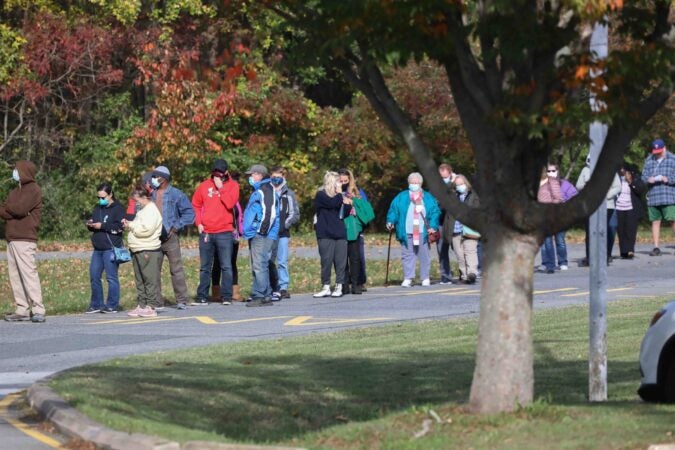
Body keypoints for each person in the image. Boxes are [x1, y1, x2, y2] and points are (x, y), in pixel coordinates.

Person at [1, 161, 46, 323]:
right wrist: (11, 209)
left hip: (25, 238)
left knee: (28, 274)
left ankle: (38, 308)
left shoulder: (34, 190)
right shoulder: (14, 192)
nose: (15, 172)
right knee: (15, 275)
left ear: (25, 172)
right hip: (12, 238)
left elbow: (18, 209)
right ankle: (22, 308)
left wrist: (9, 208)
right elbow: (5, 212)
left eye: (17, 170)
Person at [191, 159, 240, 305]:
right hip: (206, 231)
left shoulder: (233, 186)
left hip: (224, 231)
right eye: (214, 174)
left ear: (226, 172)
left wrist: (221, 188)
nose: (217, 177)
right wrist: (198, 223)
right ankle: (202, 296)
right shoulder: (204, 186)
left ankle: (226, 296)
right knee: (205, 266)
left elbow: (230, 203)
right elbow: (196, 205)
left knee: (226, 265)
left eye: (220, 174)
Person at [150, 166, 195, 310]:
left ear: (163, 178)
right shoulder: (150, 195)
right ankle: (156, 302)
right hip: (153, 238)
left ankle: (182, 300)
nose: (153, 179)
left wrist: (176, 227)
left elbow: (189, 213)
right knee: (153, 270)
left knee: (176, 269)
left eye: (156, 176)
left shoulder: (177, 194)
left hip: (171, 238)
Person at [386, 172, 441, 287]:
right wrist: (390, 221)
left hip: (422, 231)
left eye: (416, 182)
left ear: (420, 183)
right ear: (408, 183)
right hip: (406, 230)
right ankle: (408, 278)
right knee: (407, 255)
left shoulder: (427, 197)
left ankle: (425, 277)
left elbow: (435, 212)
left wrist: (433, 226)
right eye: (412, 182)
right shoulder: (402, 197)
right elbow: (393, 211)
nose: (414, 184)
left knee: (424, 255)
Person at [85, 183, 125, 314]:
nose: (101, 200)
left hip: (111, 248)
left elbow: (119, 227)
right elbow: (95, 221)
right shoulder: (98, 208)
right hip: (98, 248)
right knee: (94, 275)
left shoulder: (118, 208)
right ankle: (96, 304)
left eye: (103, 197)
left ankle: (112, 305)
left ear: (110, 194)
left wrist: (102, 226)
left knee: (111, 277)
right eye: (99, 197)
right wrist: (90, 224)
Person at [242, 164, 280, 306]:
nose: (250, 178)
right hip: (259, 233)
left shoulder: (265, 190)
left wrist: (260, 231)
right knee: (261, 264)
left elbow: (270, 213)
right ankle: (266, 294)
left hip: (262, 234)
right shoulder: (262, 189)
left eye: (252, 175)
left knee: (259, 264)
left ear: (259, 175)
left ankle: (260, 295)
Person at [122, 187, 163, 318]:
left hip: (147, 249)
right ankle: (142, 304)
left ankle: (151, 306)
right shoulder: (142, 210)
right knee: (140, 279)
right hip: (137, 248)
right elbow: (138, 225)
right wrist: (129, 223)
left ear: (144, 197)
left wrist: (131, 226)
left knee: (149, 278)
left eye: (137, 200)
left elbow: (146, 230)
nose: (136, 203)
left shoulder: (151, 210)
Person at [576, 154, 621, 265]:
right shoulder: (585, 170)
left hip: (606, 206)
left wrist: (606, 195)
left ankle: (604, 256)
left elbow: (618, 187)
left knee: (603, 232)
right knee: (590, 232)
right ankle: (590, 257)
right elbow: (578, 186)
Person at [313, 171, 350, 297]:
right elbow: (331, 204)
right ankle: (326, 286)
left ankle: (339, 286)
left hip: (340, 232)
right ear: (331, 182)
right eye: (338, 181)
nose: (340, 184)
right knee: (326, 261)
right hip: (325, 233)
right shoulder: (321, 195)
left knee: (340, 262)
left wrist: (348, 205)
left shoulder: (340, 197)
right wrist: (340, 195)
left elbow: (344, 214)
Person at [339, 168, 375, 295]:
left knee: (356, 257)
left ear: (350, 180)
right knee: (341, 258)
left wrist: (353, 201)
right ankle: (344, 284)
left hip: (354, 228)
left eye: (345, 180)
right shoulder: (334, 191)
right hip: (339, 228)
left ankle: (357, 283)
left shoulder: (357, 192)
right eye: (341, 180)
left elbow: (366, 210)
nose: (343, 183)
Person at [539, 163, 577, 272]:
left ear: (557, 172)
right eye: (549, 171)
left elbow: (574, 196)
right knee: (546, 242)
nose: (551, 173)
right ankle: (547, 263)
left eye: (553, 171)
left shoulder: (565, 184)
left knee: (560, 241)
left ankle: (563, 262)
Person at [270, 166, 300, 299]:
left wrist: (284, 225)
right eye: (273, 176)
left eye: (278, 177)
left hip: (282, 233)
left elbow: (294, 214)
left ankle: (283, 287)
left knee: (282, 261)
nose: (276, 179)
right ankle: (271, 286)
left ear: (283, 178)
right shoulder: (267, 192)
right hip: (269, 233)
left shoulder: (289, 194)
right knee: (269, 260)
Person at [641, 139, 675, 256]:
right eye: (656, 151)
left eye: (660, 151)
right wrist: (648, 179)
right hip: (653, 195)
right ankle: (656, 247)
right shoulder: (649, 160)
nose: (657, 153)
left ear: (664, 148)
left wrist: (669, 179)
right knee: (655, 221)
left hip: (668, 195)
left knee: (673, 220)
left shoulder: (673, 159)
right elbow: (643, 176)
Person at [448, 175, 480, 283]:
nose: (459, 187)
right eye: (457, 185)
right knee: (460, 255)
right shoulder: (452, 197)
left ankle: (472, 273)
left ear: (466, 184)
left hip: (469, 228)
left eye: (461, 184)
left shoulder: (473, 196)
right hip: (455, 229)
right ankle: (464, 275)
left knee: (470, 251)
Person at [616, 163, 646, 259]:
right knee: (621, 231)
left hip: (631, 208)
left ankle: (630, 250)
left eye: (624, 170)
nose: (623, 172)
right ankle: (623, 251)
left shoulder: (635, 178)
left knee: (631, 230)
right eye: (621, 170)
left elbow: (640, 190)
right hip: (618, 207)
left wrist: (630, 182)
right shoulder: (616, 179)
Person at [438, 163, 458, 284]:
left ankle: (465, 272)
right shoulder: (435, 187)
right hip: (441, 222)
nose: (443, 179)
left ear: (450, 174)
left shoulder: (458, 185)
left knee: (459, 248)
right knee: (442, 250)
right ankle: (445, 274)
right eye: (441, 177)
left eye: (445, 177)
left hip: (454, 222)